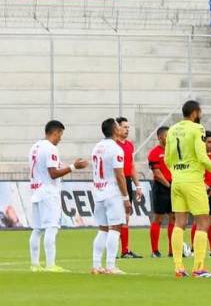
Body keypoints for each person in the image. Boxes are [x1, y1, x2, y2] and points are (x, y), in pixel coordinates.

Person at [164, 100, 211, 278]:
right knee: (203, 222)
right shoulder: (197, 129)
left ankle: (179, 267)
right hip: (193, 180)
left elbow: (167, 158)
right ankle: (199, 267)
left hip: (177, 180)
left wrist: (176, 172)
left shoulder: (172, 130)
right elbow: (202, 156)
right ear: (195, 113)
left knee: (179, 222)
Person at [28, 120, 88, 272]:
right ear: (55, 132)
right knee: (51, 227)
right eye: (60, 135)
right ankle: (50, 265)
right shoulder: (51, 148)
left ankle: (35, 265)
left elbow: (51, 167)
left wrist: (69, 165)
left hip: (36, 191)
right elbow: (53, 173)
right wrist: (74, 167)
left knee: (37, 229)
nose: (61, 138)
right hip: (48, 192)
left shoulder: (35, 147)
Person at [90, 118, 132, 275]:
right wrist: (126, 198)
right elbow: (120, 176)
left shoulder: (96, 147)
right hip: (112, 193)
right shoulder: (116, 149)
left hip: (99, 192)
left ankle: (96, 265)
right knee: (115, 228)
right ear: (115, 130)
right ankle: (110, 265)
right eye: (119, 126)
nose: (122, 129)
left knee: (102, 229)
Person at [115, 117, 144, 259]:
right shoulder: (112, 145)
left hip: (126, 181)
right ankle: (112, 250)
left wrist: (138, 185)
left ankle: (125, 250)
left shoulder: (129, 145)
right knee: (114, 218)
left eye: (128, 128)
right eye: (124, 127)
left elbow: (131, 165)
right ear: (116, 128)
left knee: (126, 217)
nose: (127, 130)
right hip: (115, 182)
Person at [147, 126, 174, 258]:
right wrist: (169, 185)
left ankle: (172, 250)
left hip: (174, 186)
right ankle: (155, 251)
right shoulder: (154, 153)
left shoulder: (173, 152)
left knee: (173, 217)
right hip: (161, 187)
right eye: (167, 135)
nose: (169, 138)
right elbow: (157, 173)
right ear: (160, 137)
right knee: (158, 217)